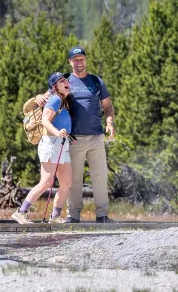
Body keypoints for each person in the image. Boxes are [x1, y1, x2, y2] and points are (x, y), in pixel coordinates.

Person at [37, 46, 115, 223]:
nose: (79, 62)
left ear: (85, 60)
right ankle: (73, 215)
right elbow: (46, 97)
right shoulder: (65, 81)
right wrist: (38, 97)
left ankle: (102, 215)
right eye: (75, 59)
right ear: (69, 62)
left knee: (100, 177)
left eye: (81, 59)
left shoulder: (96, 81)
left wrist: (109, 123)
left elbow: (108, 106)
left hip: (96, 136)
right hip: (73, 139)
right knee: (73, 180)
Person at [12, 72, 73, 224]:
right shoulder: (55, 99)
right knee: (46, 182)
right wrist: (57, 133)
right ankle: (21, 212)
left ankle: (55, 216)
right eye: (61, 81)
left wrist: (66, 135)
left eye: (65, 79)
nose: (66, 81)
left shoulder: (63, 101)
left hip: (62, 144)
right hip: (51, 143)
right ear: (54, 87)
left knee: (66, 182)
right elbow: (45, 121)